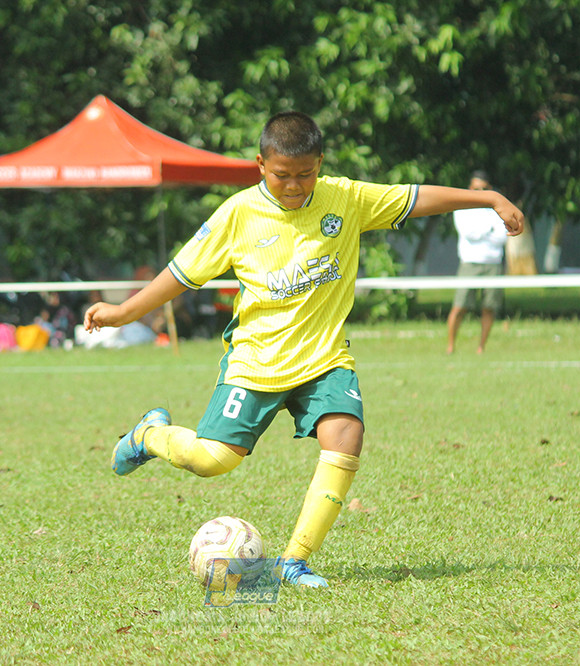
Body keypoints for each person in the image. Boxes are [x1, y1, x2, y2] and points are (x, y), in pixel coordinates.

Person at [84, 112, 524, 588]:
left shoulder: (347, 198)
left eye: (305, 174)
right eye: (281, 175)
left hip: (323, 358)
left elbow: (417, 198)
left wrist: (488, 199)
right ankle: (150, 434)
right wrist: (124, 312)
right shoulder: (237, 214)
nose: (294, 185)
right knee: (213, 461)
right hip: (257, 360)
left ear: (320, 163)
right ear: (260, 164)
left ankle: (294, 560)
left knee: (346, 435)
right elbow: (181, 273)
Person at [445, 170, 510, 355]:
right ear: (469, 188)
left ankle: (481, 348)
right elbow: (469, 233)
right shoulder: (462, 208)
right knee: (459, 307)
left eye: (484, 189)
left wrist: (485, 231)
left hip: (493, 264)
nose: (480, 192)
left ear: (489, 189)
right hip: (469, 263)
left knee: (489, 308)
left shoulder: (497, 209)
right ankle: (450, 347)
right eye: (476, 189)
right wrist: (489, 229)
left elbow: (502, 237)